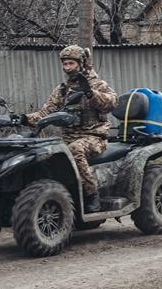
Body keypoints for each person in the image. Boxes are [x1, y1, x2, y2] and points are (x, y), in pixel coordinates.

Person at [24, 44, 118, 213]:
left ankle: (91, 194)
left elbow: (112, 103)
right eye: (65, 64)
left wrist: (91, 94)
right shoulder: (62, 90)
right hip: (67, 137)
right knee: (42, 153)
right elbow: (45, 112)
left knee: (74, 150)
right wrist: (23, 119)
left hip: (94, 137)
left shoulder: (96, 84)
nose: (67, 68)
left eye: (71, 64)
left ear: (81, 63)